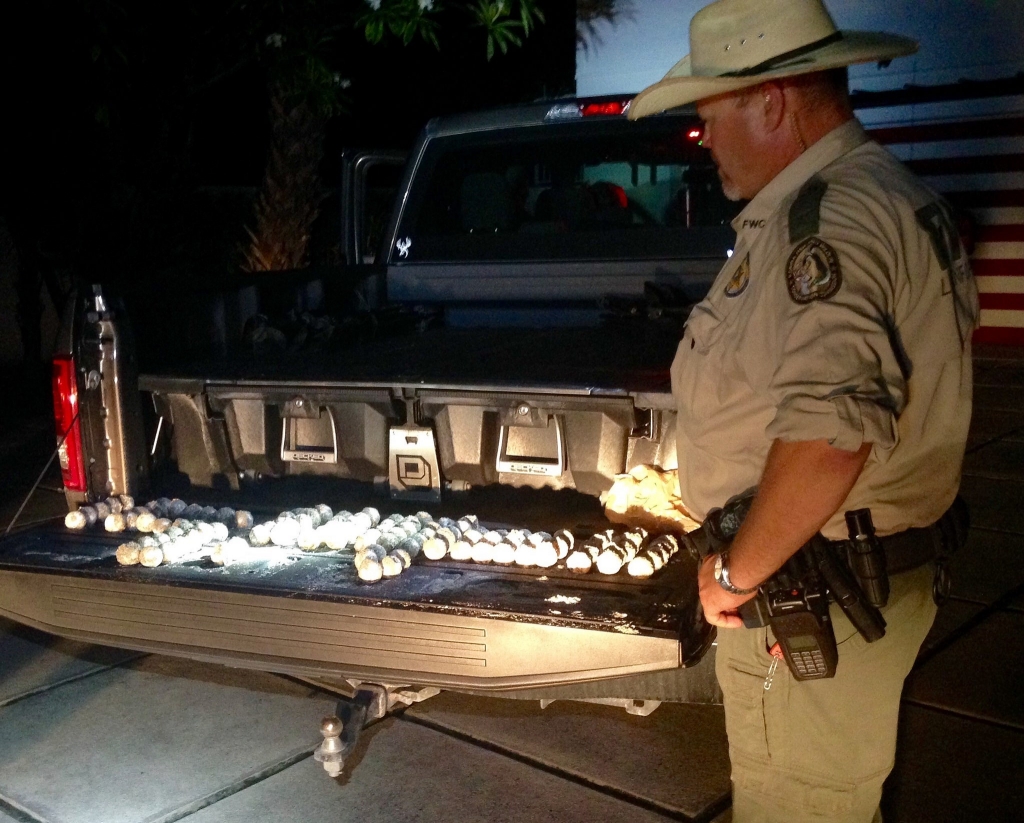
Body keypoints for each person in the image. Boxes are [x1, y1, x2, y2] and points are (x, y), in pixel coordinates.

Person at [628, 1, 979, 821]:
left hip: (807, 594)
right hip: (855, 582)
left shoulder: (826, 224)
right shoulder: (876, 195)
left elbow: (831, 431)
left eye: (711, 115)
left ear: (773, 102)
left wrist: (734, 573)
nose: (703, 137)